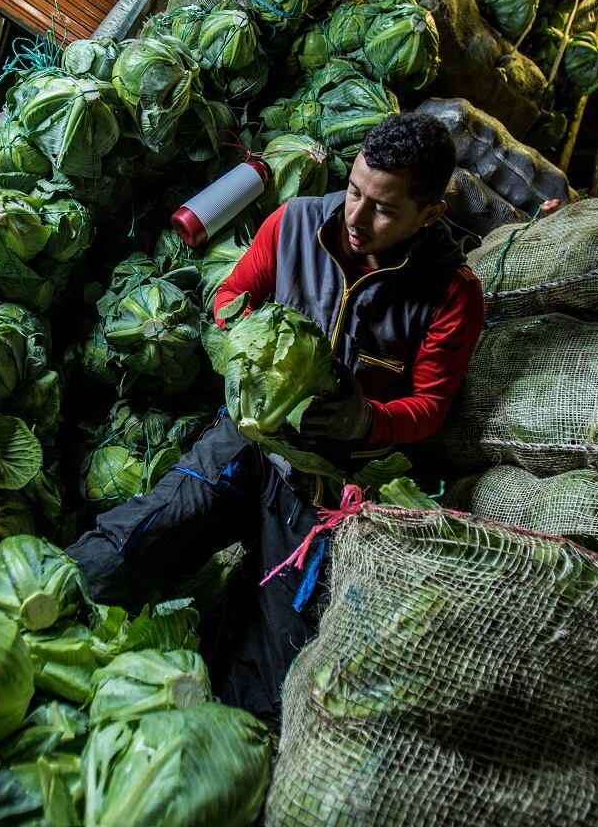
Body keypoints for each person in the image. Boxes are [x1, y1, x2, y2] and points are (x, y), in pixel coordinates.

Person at [67, 111, 486, 726]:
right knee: (145, 532)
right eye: (354, 191)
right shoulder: (294, 222)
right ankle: (53, 602)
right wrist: (253, 344)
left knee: (278, 653)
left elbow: (429, 407)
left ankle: (223, 735)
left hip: (327, 484)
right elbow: (229, 298)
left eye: (383, 209)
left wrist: (365, 422)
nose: (357, 217)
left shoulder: (453, 292)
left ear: (429, 214)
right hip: (245, 440)